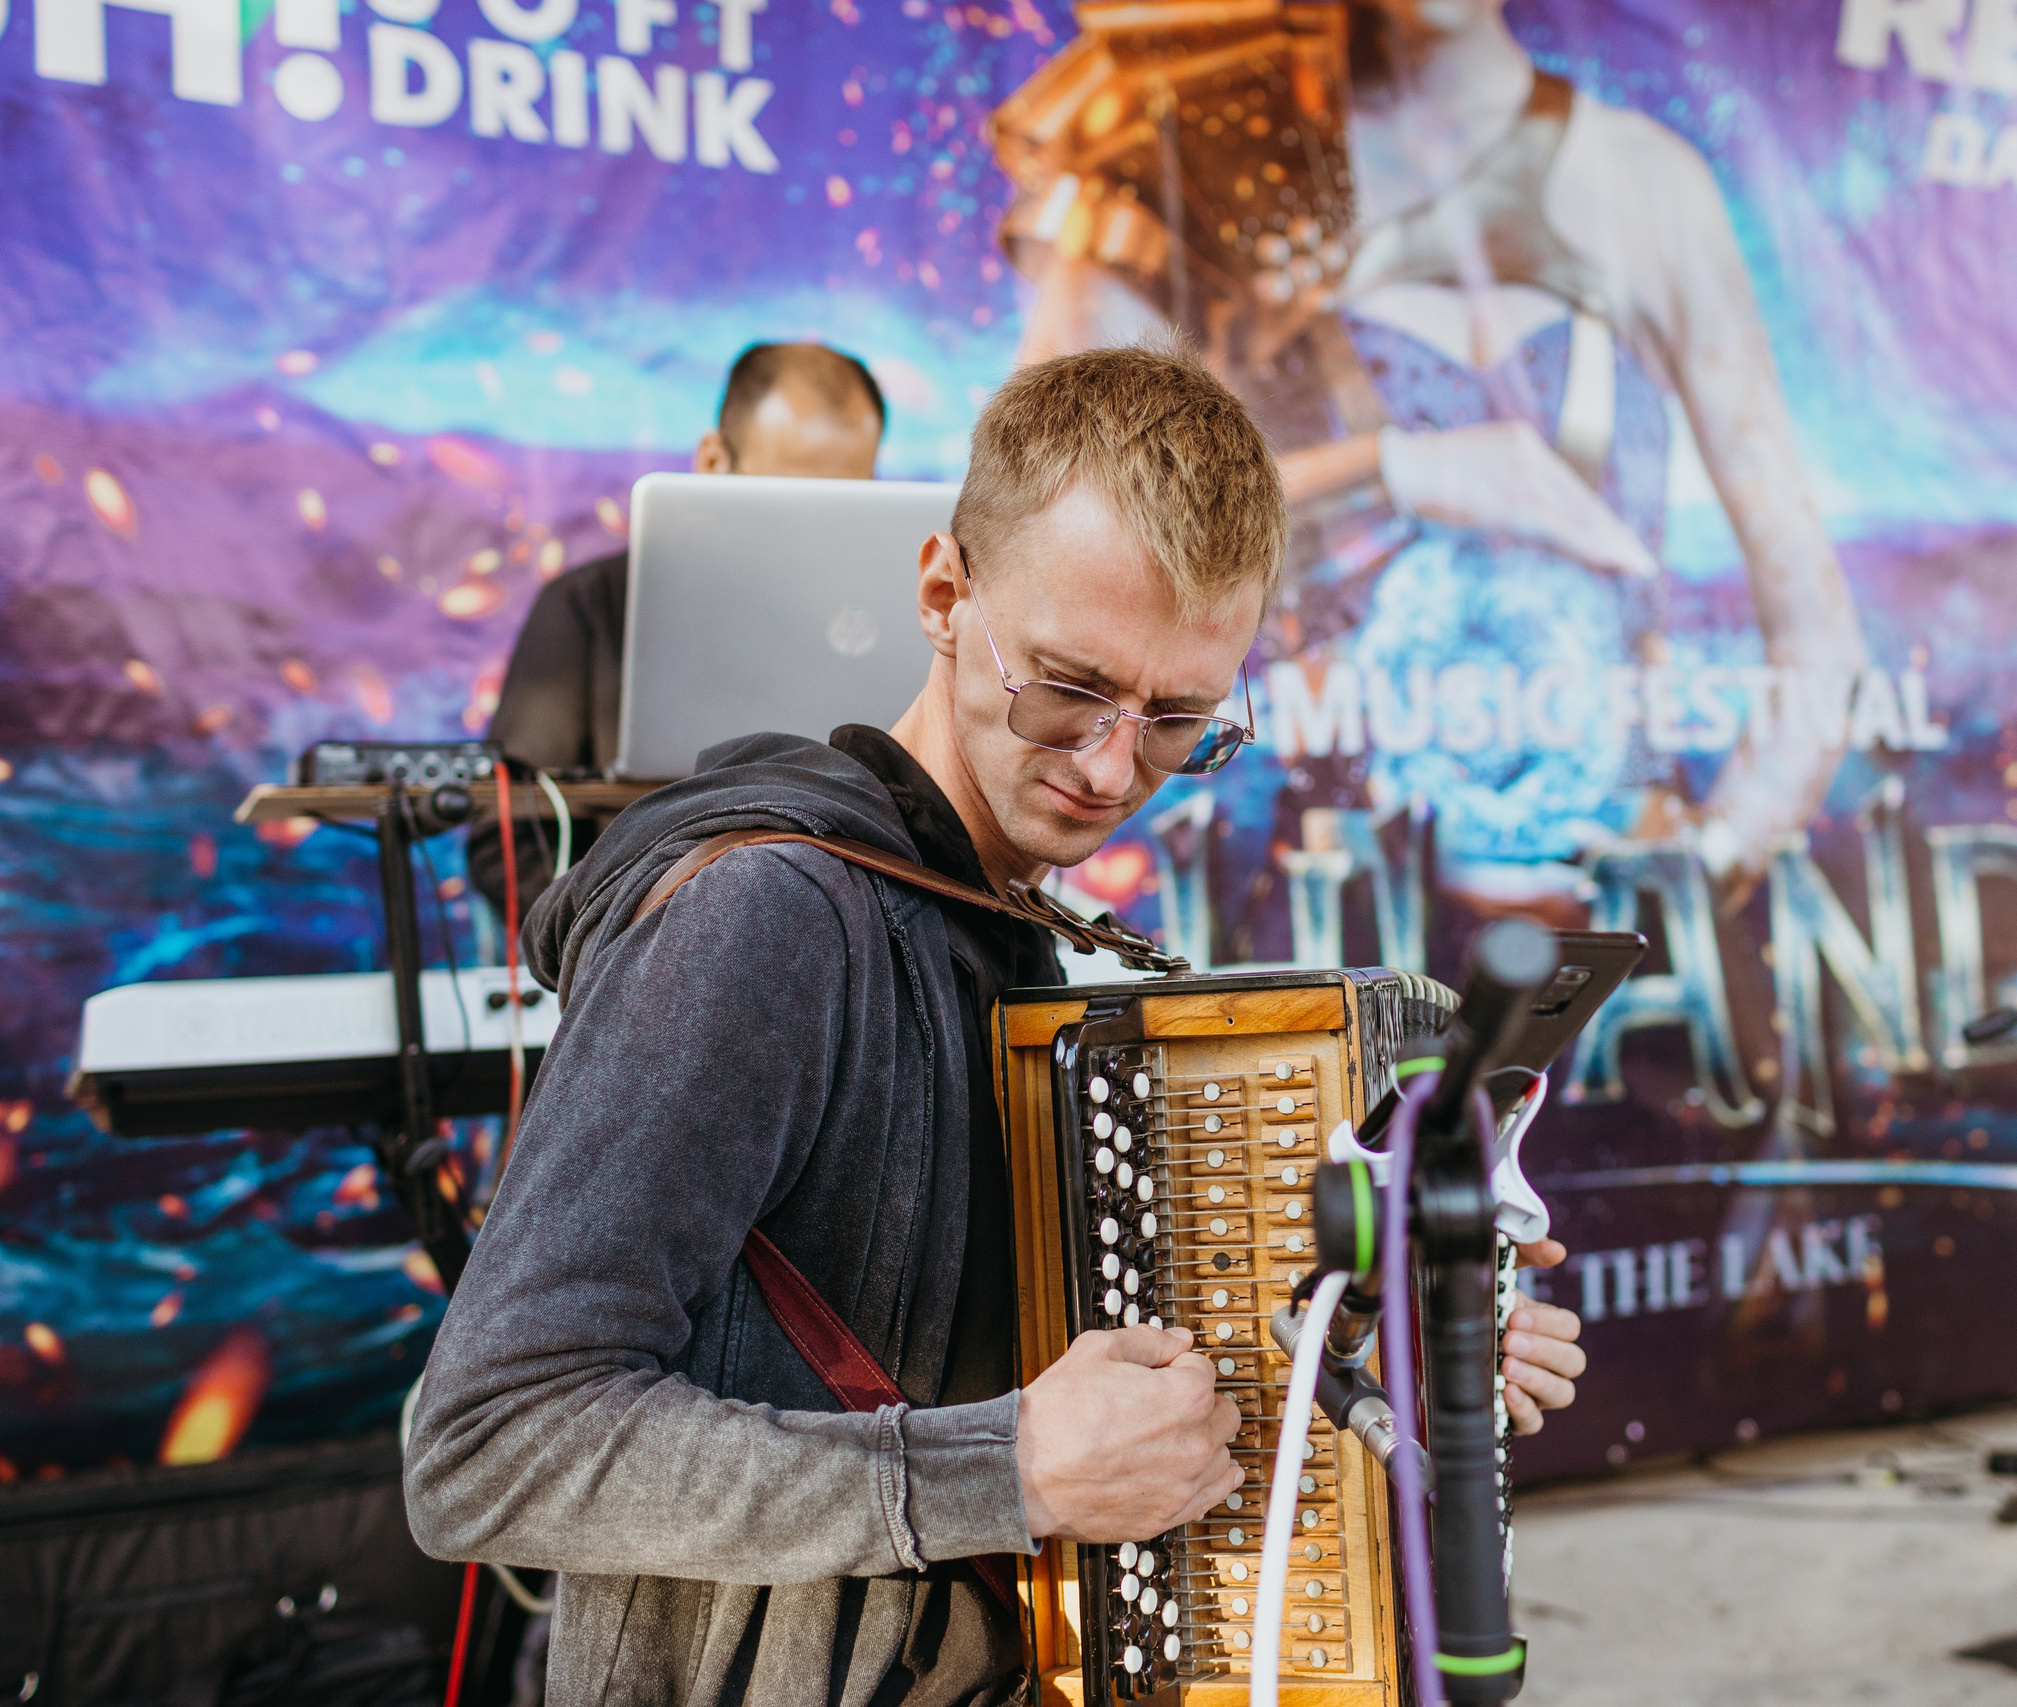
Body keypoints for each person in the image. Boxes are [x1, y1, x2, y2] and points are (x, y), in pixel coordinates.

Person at [404, 345, 1589, 1705]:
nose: (1107, 768)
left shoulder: (1023, 932)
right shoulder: (762, 918)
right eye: (1070, 687)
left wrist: (1388, 1353)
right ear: (943, 592)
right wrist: (1007, 1468)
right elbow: (491, 1443)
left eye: (1177, 720)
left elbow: (1087, 1381)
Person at [994, 0, 1866, 887]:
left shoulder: (1643, 183)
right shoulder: (1185, 168)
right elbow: (1035, 529)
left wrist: (1713, 859)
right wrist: (1398, 469)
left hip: (1607, 906)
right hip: (1323, 900)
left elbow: (1819, 632)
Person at [466, 340, 889, 911]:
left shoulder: (888, 620)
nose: (815, 529)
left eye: (844, 505)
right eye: (787, 498)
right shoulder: (587, 607)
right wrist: (630, 945)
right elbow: (512, 847)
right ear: (714, 460)